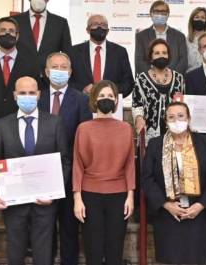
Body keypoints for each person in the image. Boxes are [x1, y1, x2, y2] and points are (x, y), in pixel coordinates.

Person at [0, 76, 71, 265]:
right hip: (14, 204)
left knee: (44, 256)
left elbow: (64, 161)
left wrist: (55, 192)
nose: (27, 96)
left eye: (32, 93)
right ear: (15, 96)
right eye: (22, 93)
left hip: (45, 203)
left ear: (39, 95)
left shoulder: (55, 123)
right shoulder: (2, 125)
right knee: (15, 255)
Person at [141, 101, 206, 265]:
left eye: (180, 116)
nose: (176, 120)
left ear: (189, 119)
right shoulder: (156, 145)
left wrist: (201, 205)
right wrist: (166, 204)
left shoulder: (205, 143)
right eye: (171, 117)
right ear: (166, 121)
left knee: (197, 259)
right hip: (167, 214)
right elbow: (147, 179)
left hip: (198, 213)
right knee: (170, 259)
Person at [72, 80, 135, 265]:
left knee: (115, 250)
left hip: (119, 195)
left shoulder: (125, 128)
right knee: (93, 250)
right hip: (90, 195)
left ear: (116, 101)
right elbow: (78, 164)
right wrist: (77, 198)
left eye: (110, 96)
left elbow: (130, 164)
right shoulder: (83, 128)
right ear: (93, 100)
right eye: (101, 96)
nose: (106, 99)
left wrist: (130, 195)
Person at [38, 52, 92, 265]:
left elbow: (84, 139)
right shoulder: (36, 97)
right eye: (54, 66)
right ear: (46, 71)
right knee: (44, 232)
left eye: (63, 67)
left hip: (71, 177)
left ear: (70, 72)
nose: (59, 71)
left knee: (69, 231)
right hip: (41, 174)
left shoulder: (81, 100)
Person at [133, 39, 185, 143]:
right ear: (151, 57)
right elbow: (137, 105)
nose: (161, 56)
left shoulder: (179, 78)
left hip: (175, 135)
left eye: (164, 53)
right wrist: (138, 118)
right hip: (150, 136)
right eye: (157, 53)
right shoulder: (141, 79)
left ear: (168, 56)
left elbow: (183, 105)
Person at [67, 14, 134, 95]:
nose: (100, 27)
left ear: (108, 30)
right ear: (88, 30)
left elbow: (128, 82)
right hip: (80, 103)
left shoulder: (120, 52)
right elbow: (66, 81)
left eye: (103, 25)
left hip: (110, 104)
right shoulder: (73, 52)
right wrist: (82, 90)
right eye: (95, 24)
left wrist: (111, 91)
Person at [12, 0, 72, 76]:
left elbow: (67, 53)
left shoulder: (60, 23)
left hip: (49, 78)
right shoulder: (15, 21)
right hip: (21, 76)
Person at [135, 0, 188, 75]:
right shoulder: (141, 36)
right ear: (151, 14)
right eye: (156, 11)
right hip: (150, 80)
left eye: (163, 12)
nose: (160, 14)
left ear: (168, 14)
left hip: (174, 81)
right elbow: (139, 62)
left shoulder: (179, 36)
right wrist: (154, 76)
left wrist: (171, 76)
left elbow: (183, 61)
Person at [186, 7, 206, 72]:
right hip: (190, 76)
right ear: (192, 20)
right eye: (196, 17)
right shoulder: (185, 40)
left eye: (203, 18)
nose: (199, 19)